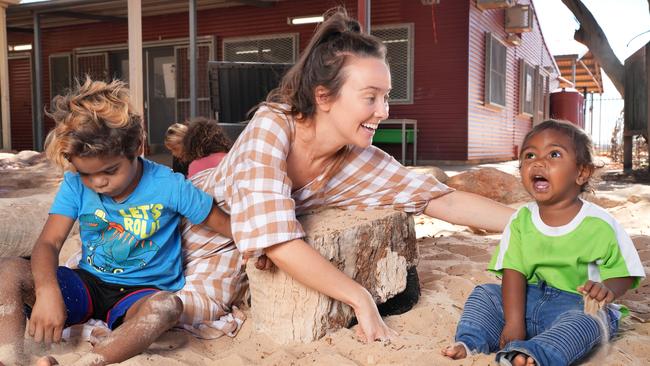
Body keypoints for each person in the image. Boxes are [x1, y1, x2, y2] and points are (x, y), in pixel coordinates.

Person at [176, 7, 514, 342]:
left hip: (235, 257)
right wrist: (359, 297)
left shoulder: (355, 159)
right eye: (370, 97)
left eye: (386, 97)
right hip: (186, 229)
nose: (383, 111)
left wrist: (536, 222)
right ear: (323, 96)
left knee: (201, 307)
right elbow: (277, 242)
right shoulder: (272, 126)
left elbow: (442, 200)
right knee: (176, 311)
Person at [0, 78, 231, 366]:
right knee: (9, 269)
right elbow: (49, 242)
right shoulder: (74, 185)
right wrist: (48, 291)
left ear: (137, 145)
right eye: (86, 173)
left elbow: (224, 223)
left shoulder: (169, 186)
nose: (98, 183)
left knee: (166, 307)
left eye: (110, 170)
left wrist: (264, 248)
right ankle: (11, 359)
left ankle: (88, 362)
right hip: (87, 283)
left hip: (140, 294)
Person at [441, 120, 645, 366]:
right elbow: (513, 272)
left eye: (554, 154)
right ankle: (470, 342)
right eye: (529, 155)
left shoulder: (601, 224)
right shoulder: (521, 220)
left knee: (592, 320)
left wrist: (608, 288)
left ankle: (535, 353)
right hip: (529, 299)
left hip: (577, 305)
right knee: (484, 294)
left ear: (582, 172)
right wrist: (514, 322)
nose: (538, 162)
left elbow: (625, 272)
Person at [164, 117, 232, 178]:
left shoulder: (198, 160)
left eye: (174, 148)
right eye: (171, 150)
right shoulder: (179, 158)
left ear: (184, 141)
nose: (174, 153)